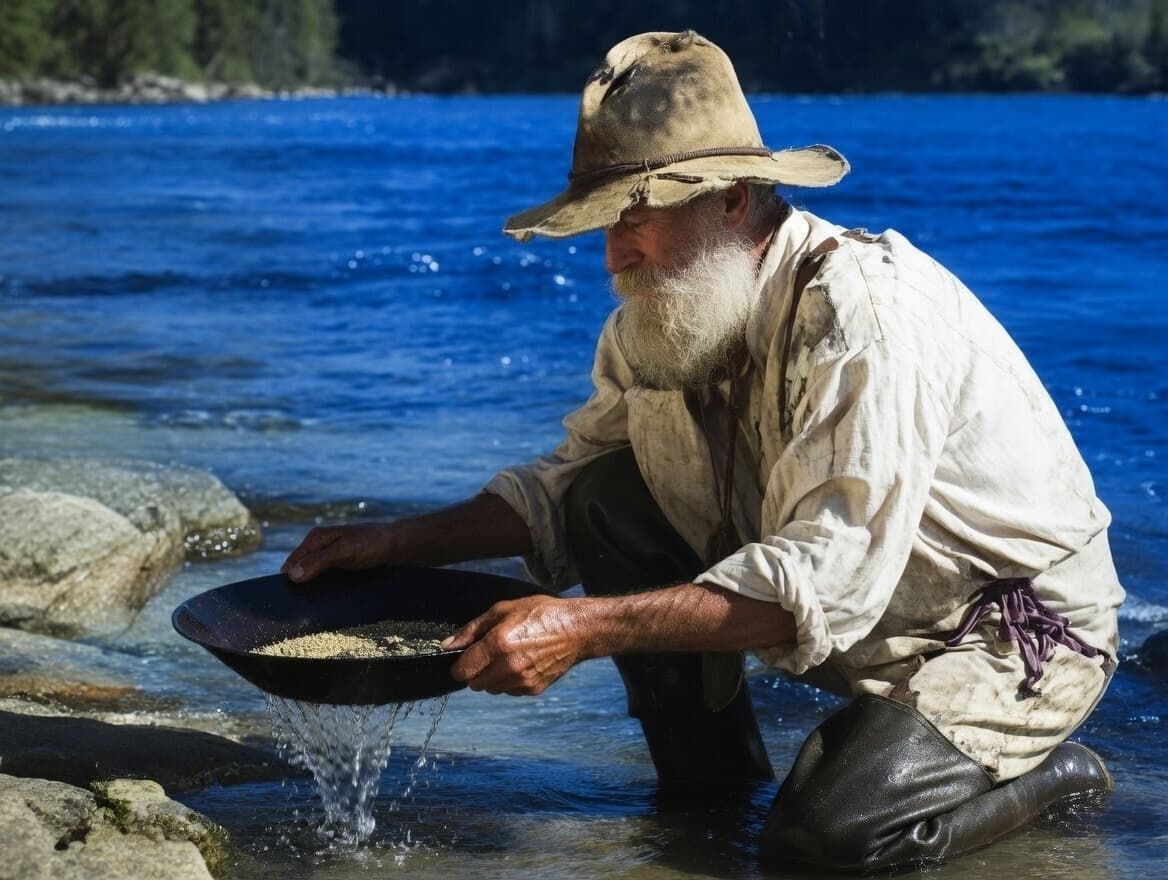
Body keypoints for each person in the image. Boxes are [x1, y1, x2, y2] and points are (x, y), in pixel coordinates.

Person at [282, 31, 1124, 873]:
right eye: (606, 226)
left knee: (821, 845)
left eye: (636, 222)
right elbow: (564, 487)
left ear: (731, 200)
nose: (613, 258)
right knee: (606, 495)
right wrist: (395, 543)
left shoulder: (862, 317)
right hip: (864, 618)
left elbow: (828, 579)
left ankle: (1048, 776)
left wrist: (580, 627)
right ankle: (709, 791)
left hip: (1005, 632)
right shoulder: (655, 325)